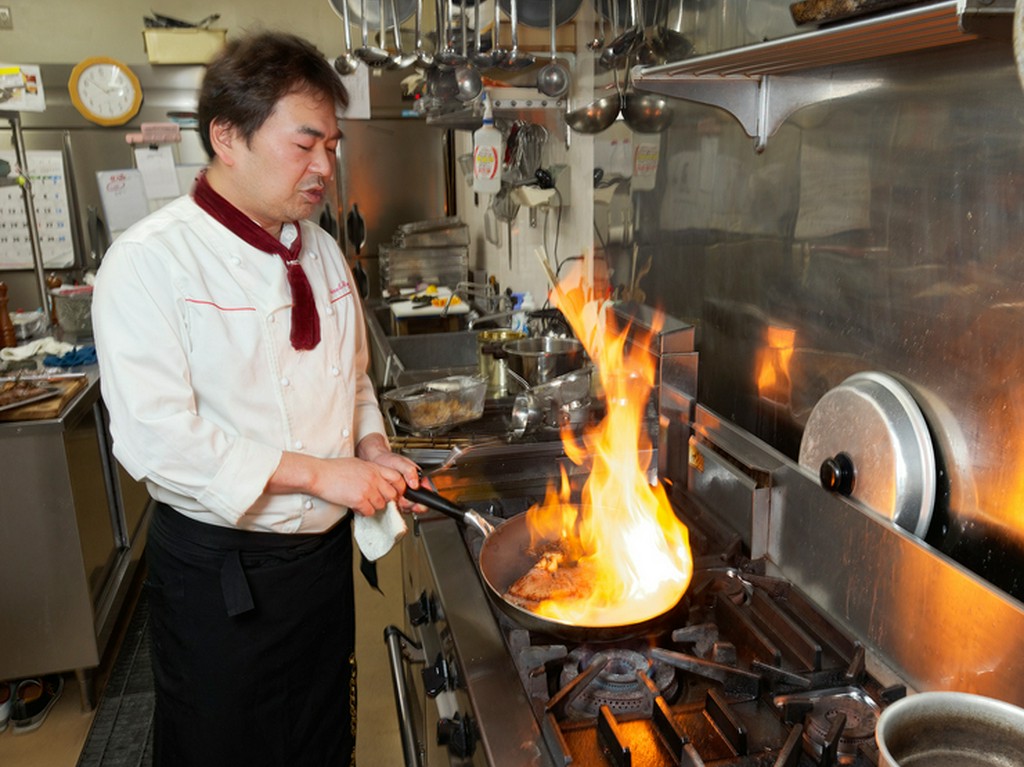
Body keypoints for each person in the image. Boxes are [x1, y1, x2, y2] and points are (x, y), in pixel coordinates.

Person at [92, 31, 423, 766]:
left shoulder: (321, 249)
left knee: (320, 740)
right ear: (226, 136)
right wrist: (318, 471)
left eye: (332, 147)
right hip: (223, 582)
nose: (325, 167)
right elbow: (157, 439)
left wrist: (371, 449)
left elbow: (353, 376)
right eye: (306, 143)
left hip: (319, 574)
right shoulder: (151, 262)